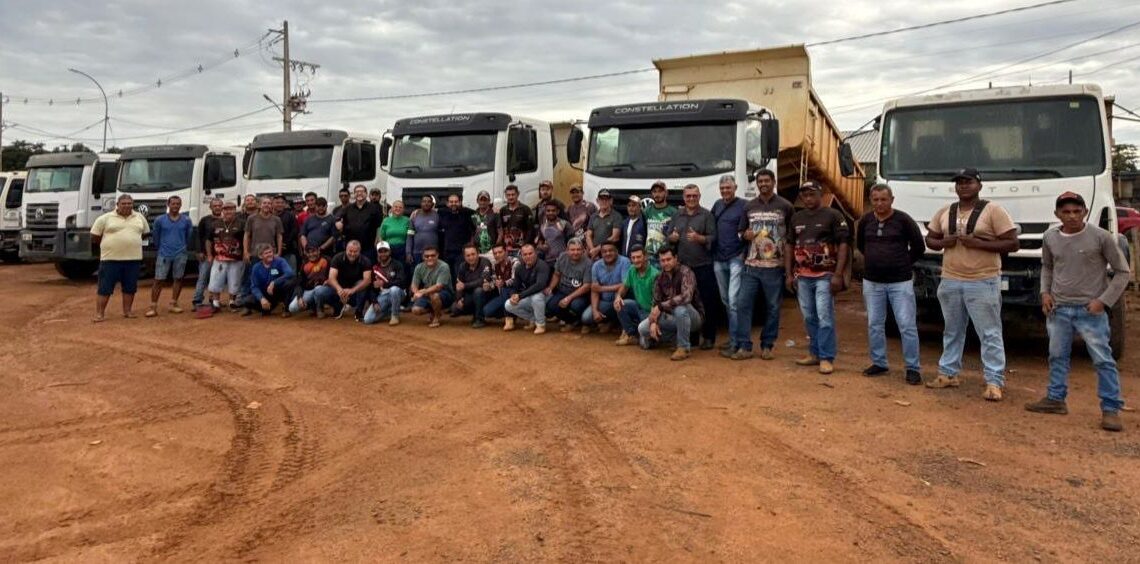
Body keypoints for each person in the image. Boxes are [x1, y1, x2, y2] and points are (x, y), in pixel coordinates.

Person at [1027, 191, 1130, 431]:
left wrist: (1103, 302)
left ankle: (1110, 409)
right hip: (1059, 309)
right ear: (1057, 214)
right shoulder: (1050, 237)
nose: (1072, 216)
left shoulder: (1101, 237)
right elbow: (1048, 267)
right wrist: (1045, 293)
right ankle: (1055, 399)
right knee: (1057, 356)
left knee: (1103, 360)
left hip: (1090, 310)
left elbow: (1122, 272)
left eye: (1076, 211)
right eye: (1066, 212)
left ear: (1084, 212)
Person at [924, 168, 1019, 400]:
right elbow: (930, 238)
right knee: (952, 330)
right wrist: (941, 242)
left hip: (983, 279)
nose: (963, 186)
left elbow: (1012, 243)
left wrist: (978, 243)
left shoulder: (993, 211)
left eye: (968, 182)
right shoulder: (947, 211)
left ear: (979, 185)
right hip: (950, 278)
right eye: (959, 183)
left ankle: (994, 381)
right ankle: (948, 373)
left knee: (989, 333)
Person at [855, 184, 926, 384]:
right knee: (875, 324)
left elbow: (919, 247)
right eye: (875, 200)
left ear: (892, 200)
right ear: (871, 201)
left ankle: (913, 368)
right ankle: (879, 362)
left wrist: (902, 263)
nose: (879, 203)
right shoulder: (866, 221)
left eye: (883, 199)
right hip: (872, 282)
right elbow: (861, 245)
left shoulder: (903, 220)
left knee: (906, 325)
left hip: (900, 282)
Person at [785, 180, 850, 375]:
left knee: (824, 316)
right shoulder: (796, 218)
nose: (808, 198)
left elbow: (844, 245)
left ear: (820, 195)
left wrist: (838, 275)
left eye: (811, 194)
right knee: (809, 317)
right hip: (802, 276)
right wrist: (788, 274)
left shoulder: (833, 215)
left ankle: (826, 357)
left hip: (825, 275)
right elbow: (789, 245)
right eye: (804, 195)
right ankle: (814, 353)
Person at [733, 170, 794, 361]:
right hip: (751, 266)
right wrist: (745, 235)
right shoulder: (749, 206)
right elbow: (740, 232)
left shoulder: (785, 206)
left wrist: (788, 266)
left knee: (773, 307)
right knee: (743, 304)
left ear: (774, 182)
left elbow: (792, 237)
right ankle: (745, 346)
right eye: (760, 181)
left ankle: (768, 345)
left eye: (767, 180)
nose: (763, 184)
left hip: (774, 267)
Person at [665, 184, 719, 350]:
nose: (691, 199)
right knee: (688, 303)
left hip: (703, 265)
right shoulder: (677, 215)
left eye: (694, 196)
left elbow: (714, 237)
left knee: (708, 302)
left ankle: (709, 337)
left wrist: (699, 238)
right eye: (688, 196)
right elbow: (668, 236)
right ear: (684, 197)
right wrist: (672, 238)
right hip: (683, 268)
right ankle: (692, 337)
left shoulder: (706, 215)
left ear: (699, 196)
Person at [90, 194, 150, 322]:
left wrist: (130, 241)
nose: (127, 206)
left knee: (130, 287)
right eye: (124, 203)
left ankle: (127, 312)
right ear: (117, 205)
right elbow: (95, 237)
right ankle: (100, 314)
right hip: (110, 259)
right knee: (105, 288)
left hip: (133, 259)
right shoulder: (104, 218)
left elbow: (145, 234)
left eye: (129, 203)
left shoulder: (139, 217)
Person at [638, 246, 704, 361]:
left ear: (675, 258)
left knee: (680, 309)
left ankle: (684, 348)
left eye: (668, 259)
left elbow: (686, 297)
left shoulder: (686, 272)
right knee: (643, 328)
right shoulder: (659, 278)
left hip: (693, 317)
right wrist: (653, 321)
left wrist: (661, 306)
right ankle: (675, 339)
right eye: (662, 261)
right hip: (671, 317)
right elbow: (655, 302)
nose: (665, 263)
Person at [711, 175, 748, 356]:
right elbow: (710, 227)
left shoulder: (743, 206)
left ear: (736, 187)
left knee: (734, 302)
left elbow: (748, 231)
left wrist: (744, 253)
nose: (725, 190)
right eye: (723, 188)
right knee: (726, 301)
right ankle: (733, 338)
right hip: (719, 259)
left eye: (728, 187)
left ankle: (736, 343)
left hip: (735, 258)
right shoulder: (717, 205)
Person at [146, 195, 192, 317]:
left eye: (178, 204)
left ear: (180, 205)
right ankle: (153, 306)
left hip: (180, 253)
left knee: (178, 278)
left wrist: (182, 247)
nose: (175, 206)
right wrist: (161, 248)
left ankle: (173, 303)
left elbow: (188, 236)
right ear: (168, 204)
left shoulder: (186, 220)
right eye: (173, 204)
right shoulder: (160, 220)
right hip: (164, 253)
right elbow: (156, 236)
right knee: (158, 280)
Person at [544, 238, 593, 331]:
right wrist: (550, 287)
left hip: (580, 294)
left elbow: (587, 286)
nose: (575, 252)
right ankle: (572, 321)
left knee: (575, 306)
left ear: (583, 250)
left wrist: (569, 298)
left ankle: (583, 322)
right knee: (551, 306)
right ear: (567, 250)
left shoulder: (588, 263)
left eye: (578, 249)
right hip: (563, 290)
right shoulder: (562, 257)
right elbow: (556, 274)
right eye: (572, 250)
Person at [614, 246, 659, 346]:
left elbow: (657, 301)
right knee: (621, 303)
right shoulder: (632, 270)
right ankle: (632, 335)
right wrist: (618, 297)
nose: (636, 260)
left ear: (646, 257)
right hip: (639, 308)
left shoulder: (655, 274)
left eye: (639, 257)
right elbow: (624, 287)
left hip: (651, 313)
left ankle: (648, 335)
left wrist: (652, 320)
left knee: (645, 345)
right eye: (633, 258)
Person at [582, 241, 631, 332]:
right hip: (605, 301)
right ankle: (608, 322)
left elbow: (625, 285)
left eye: (611, 250)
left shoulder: (625, 262)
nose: (607, 253)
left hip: (622, 299)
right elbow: (594, 290)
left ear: (617, 251)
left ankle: (619, 325)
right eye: (604, 251)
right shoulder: (596, 266)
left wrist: (601, 288)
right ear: (601, 253)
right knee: (586, 318)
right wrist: (595, 310)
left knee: (619, 298)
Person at [206, 201, 246, 312]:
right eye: (226, 209)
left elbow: (246, 239)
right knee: (216, 280)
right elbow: (209, 240)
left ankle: (232, 302)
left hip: (236, 258)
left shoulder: (242, 223)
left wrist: (246, 253)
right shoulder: (215, 224)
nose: (228, 211)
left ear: (235, 210)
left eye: (231, 209)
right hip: (219, 258)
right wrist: (209, 255)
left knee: (235, 280)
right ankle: (215, 302)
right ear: (223, 211)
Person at [503, 243, 552, 333]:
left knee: (536, 298)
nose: (528, 256)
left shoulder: (542, 265)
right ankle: (534, 319)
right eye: (525, 254)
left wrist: (520, 296)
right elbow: (515, 286)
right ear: (521, 255)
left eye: (530, 253)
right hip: (529, 295)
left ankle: (540, 324)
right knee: (508, 305)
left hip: (545, 295)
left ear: (535, 253)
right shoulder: (519, 268)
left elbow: (540, 285)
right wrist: (513, 295)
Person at [362, 241, 408, 326]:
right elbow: (371, 288)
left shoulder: (397, 264)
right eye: (380, 251)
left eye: (385, 251)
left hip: (398, 293)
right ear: (377, 253)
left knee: (394, 289)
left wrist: (384, 284)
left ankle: (395, 316)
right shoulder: (375, 268)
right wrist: (374, 302)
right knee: (368, 320)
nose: (383, 254)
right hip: (383, 295)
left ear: (390, 252)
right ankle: (389, 311)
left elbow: (402, 282)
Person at [244, 243, 296, 316]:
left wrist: (274, 282)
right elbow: (254, 286)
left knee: (291, 282)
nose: (269, 254)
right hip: (265, 294)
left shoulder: (280, 261)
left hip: (278, 291)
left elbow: (290, 273)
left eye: (270, 252)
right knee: (247, 301)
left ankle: (286, 309)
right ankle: (266, 309)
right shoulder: (256, 267)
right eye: (266, 253)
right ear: (260, 256)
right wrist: (261, 298)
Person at [336, 185, 384, 263]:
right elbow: (338, 219)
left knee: (368, 269)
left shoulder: (374, 208)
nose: (359, 193)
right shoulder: (347, 208)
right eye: (357, 192)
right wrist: (338, 223)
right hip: (352, 249)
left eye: (362, 191)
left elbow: (379, 226)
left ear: (366, 194)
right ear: (354, 194)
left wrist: (378, 240)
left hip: (368, 247)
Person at [192, 198, 224, 310]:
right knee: (203, 277)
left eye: (219, 205)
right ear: (210, 207)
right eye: (215, 206)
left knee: (216, 279)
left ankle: (213, 300)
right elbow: (198, 237)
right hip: (206, 255)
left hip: (222, 256)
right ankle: (197, 300)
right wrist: (199, 251)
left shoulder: (226, 220)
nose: (217, 207)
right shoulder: (205, 220)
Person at [327, 240, 373, 320]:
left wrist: (352, 290)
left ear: (359, 251)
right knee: (323, 291)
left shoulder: (366, 261)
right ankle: (337, 308)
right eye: (350, 251)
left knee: (363, 284)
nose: (352, 254)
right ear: (346, 249)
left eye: (355, 251)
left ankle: (359, 312)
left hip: (356, 286)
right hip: (340, 284)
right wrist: (339, 290)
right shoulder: (337, 258)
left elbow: (367, 280)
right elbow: (331, 278)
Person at [409, 245, 453, 328]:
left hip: (445, 294)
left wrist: (422, 292)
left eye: (433, 255)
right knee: (415, 310)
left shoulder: (444, 266)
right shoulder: (419, 267)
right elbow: (414, 285)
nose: (430, 258)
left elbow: (438, 287)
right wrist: (416, 293)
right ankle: (435, 310)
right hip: (427, 293)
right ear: (422, 257)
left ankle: (437, 317)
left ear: (437, 255)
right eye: (427, 256)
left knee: (434, 295)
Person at [451, 244, 493, 328]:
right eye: (468, 255)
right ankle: (475, 313)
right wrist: (459, 298)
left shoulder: (485, 262)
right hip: (470, 295)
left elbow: (483, 280)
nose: (471, 257)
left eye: (473, 254)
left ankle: (479, 319)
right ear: (464, 256)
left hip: (487, 294)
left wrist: (465, 286)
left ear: (478, 253)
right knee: (455, 309)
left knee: (478, 291)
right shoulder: (462, 266)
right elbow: (459, 284)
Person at [288, 245, 335, 318]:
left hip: (327, 289)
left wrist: (330, 280)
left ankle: (320, 309)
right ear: (306, 254)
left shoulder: (327, 260)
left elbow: (337, 276)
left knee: (318, 290)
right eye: (308, 252)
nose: (311, 254)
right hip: (311, 290)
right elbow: (299, 284)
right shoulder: (304, 264)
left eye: (313, 251)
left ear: (318, 251)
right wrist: (299, 297)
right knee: (292, 308)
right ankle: (311, 307)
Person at [644, 180, 677, 266]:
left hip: (665, 256)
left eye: (660, 191)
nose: (657, 194)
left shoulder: (673, 212)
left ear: (666, 193)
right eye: (654, 192)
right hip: (649, 255)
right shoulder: (647, 211)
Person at [483, 243, 519, 321]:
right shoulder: (495, 266)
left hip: (516, 293)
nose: (497, 255)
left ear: (506, 252)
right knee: (486, 311)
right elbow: (494, 282)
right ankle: (511, 313)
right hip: (502, 296)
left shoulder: (514, 262)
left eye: (500, 252)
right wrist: (488, 286)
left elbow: (515, 279)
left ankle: (510, 318)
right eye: (495, 253)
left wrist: (504, 283)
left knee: (506, 289)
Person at [439, 193, 475, 269]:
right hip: (447, 251)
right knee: (447, 275)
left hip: (461, 252)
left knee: (458, 274)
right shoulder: (442, 213)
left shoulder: (467, 213)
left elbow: (478, 213)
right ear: (447, 203)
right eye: (451, 202)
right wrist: (418, 211)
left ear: (460, 202)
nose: (453, 204)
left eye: (456, 201)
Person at [244, 196, 284, 261]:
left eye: (269, 203)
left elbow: (279, 236)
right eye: (264, 203)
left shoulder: (277, 219)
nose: (267, 205)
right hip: (255, 254)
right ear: (259, 205)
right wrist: (246, 252)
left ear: (271, 206)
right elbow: (246, 235)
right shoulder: (251, 218)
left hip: (271, 254)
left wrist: (279, 253)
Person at [585, 189, 621, 260]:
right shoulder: (593, 216)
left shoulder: (617, 216)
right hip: (594, 256)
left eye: (606, 199)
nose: (604, 201)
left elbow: (614, 237)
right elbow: (588, 235)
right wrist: (592, 250)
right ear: (597, 201)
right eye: (601, 199)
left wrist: (597, 249)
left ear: (611, 201)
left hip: (609, 254)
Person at [499, 184, 533, 256]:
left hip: (521, 248)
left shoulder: (525, 209)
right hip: (507, 248)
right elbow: (500, 229)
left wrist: (525, 245)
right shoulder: (502, 210)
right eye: (508, 195)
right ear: (505, 195)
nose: (511, 197)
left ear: (518, 194)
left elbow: (530, 229)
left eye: (513, 194)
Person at [407, 195, 441, 266]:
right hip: (417, 253)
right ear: (421, 203)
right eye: (424, 201)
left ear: (432, 204)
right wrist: (408, 252)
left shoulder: (437, 216)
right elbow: (410, 236)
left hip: (432, 253)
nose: (426, 203)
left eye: (429, 202)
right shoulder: (414, 215)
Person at [536, 201, 573, 265]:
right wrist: (541, 246)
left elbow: (573, 241)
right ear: (545, 212)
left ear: (558, 211)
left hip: (563, 260)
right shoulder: (542, 226)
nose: (551, 213)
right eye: (548, 211)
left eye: (553, 211)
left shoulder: (564, 224)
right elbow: (539, 241)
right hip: (547, 261)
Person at [273, 194, 300, 271]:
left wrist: (285, 243)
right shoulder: (270, 215)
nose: (279, 204)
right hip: (273, 252)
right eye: (277, 202)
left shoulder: (290, 215)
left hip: (288, 250)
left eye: (282, 202)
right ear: (273, 203)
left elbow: (295, 230)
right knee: (274, 273)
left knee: (290, 272)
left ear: (285, 204)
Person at [471, 190, 501, 256]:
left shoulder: (494, 213)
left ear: (489, 201)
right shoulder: (473, 215)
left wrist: (496, 248)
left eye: (485, 200)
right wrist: (472, 248)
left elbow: (500, 233)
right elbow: (472, 233)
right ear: (477, 201)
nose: (483, 202)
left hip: (491, 251)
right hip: (477, 251)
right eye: (481, 200)